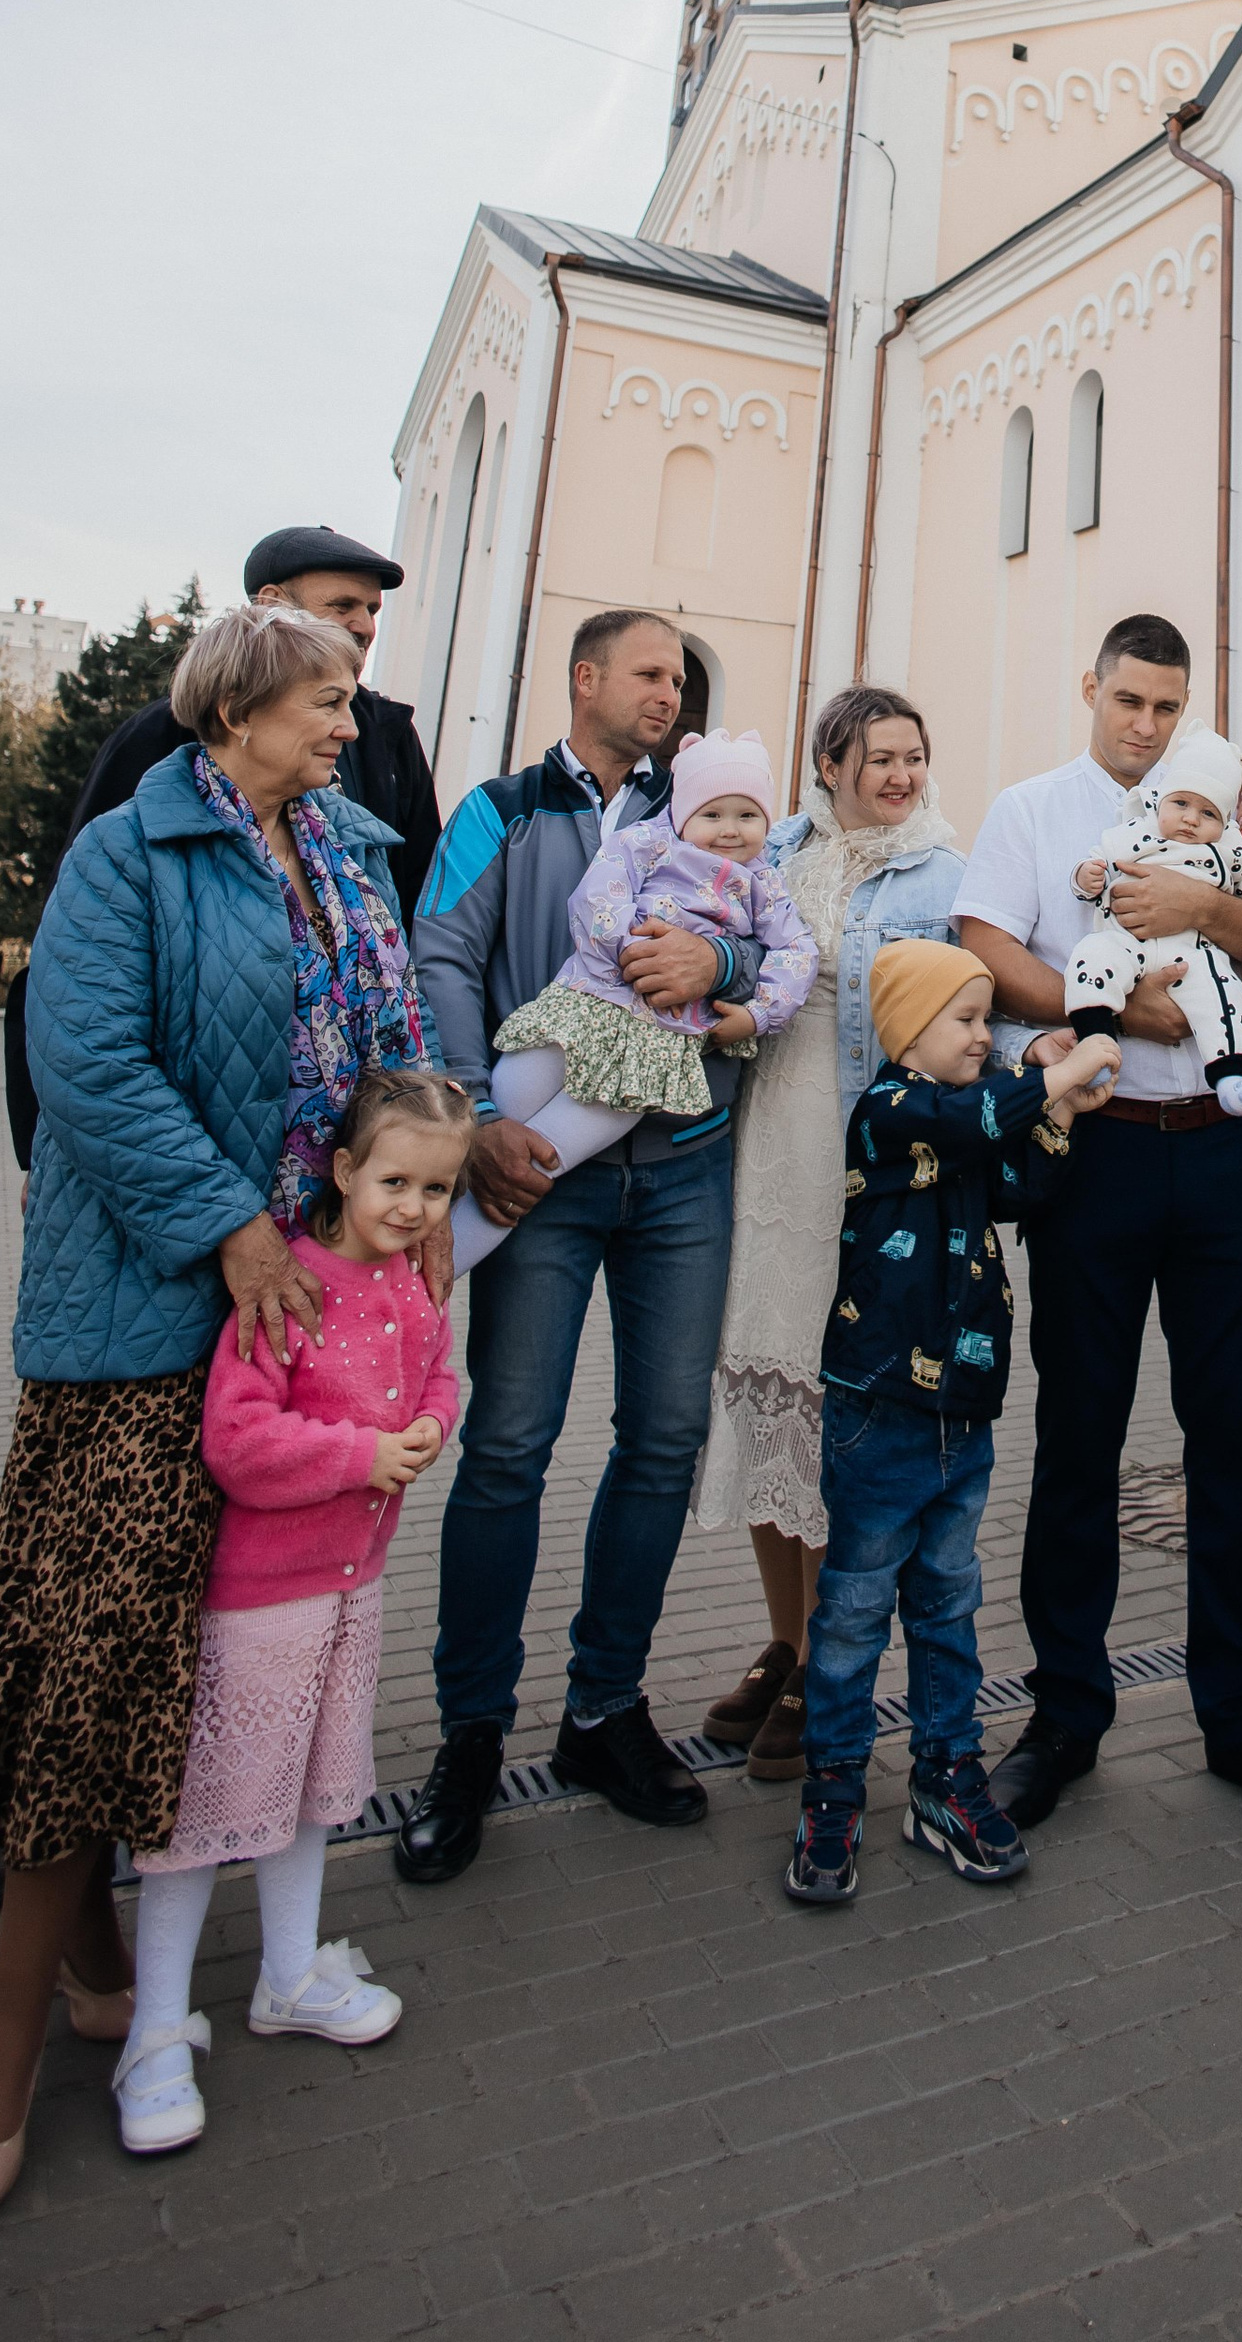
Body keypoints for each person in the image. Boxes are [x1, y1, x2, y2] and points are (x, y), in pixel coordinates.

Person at [0, 603, 425, 2234]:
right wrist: (233, 1224)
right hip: (150, 1302)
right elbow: (90, 1062)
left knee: (225, 1648)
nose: (349, 721)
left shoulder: (351, 847)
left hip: (306, 1313)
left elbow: (390, 1054)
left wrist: (436, 1183)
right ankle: (4, 2008)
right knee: (98, 1632)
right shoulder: (135, 848)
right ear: (239, 707)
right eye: (326, 697)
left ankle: (115, 1936)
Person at [956, 615, 1242, 1842]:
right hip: (1101, 1144)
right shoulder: (1032, 809)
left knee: (1230, 1441)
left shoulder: (1240, 809)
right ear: (1091, 688)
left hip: (1228, 1153)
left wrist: (1200, 902)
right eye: (1128, 698)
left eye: (1167, 705)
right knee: (1078, 1435)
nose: (1146, 724)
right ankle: (1063, 1713)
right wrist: (1116, 1000)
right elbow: (983, 942)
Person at [396, 606, 762, 1882]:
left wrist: (716, 951)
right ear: (587, 677)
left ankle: (605, 1707)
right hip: (536, 1169)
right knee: (505, 1447)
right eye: (651, 673)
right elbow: (436, 954)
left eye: (681, 678)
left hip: (680, 1173)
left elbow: (766, 935)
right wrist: (476, 1113)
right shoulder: (500, 810)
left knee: (662, 1443)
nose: (670, 694)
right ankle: (468, 1733)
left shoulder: (704, 808)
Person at [115, 1068, 473, 2154]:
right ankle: (156, 2024)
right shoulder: (291, 1289)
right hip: (260, 1595)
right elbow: (238, 1443)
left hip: (351, 1585)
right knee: (203, 1808)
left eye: (441, 1188)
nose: (414, 1207)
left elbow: (438, 1376)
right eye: (397, 1180)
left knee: (316, 1787)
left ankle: (288, 1970)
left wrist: (427, 1428)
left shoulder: (413, 1283)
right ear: (346, 1168)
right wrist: (365, 1452)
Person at [784, 945, 1111, 1905]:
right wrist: (1060, 1065)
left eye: (984, 1020)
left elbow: (1023, 1188)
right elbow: (971, 1119)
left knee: (948, 1609)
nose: (983, 1036)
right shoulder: (889, 1112)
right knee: (850, 1618)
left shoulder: (967, 1126)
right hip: (879, 1411)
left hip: (963, 1416)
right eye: (966, 1021)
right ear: (907, 1032)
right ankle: (834, 1788)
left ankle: (943, 1777)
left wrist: (1055, 1114)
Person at [697, 687, 963, 1786]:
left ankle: (832, 1667)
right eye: (879, 758)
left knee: (833, 1414)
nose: (899, 776)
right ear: (828, 762)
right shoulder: (772, 847)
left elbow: (966, 1016)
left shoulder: (947, 870)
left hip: (867, 1169)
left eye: (913, 755)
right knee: (763, 1393)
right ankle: (788, 1638)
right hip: (765, 1149)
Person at [462, 732, 817, 1257]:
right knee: (500, 1119)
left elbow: (797, 952)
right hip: (588, 1007)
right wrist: (631, 954)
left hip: (655, 1050)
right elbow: (595, 898)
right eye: (712, 814)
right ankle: (406, 1234)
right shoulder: (645, 843)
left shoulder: (764, 883)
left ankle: (439, 1269)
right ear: (682, 812)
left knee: (529, 1172)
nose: (729, 831)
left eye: (747, 816)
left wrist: (758, 1015)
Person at [64, 529, 446, 926]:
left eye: (372, 609)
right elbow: (88, 909)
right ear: (272, 604)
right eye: (343, 605)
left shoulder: (390, 734)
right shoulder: (166, 730)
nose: (364, 626)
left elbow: (421, 898)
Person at [1064, 725, 1242, 1115]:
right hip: (1126, 941)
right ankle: (1093, 1045)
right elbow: (1098, 860)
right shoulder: (1131, 833)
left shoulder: (1229, 850)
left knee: (1223, 994)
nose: (1191, 819)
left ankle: (1233, 1076)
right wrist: (1086, 877)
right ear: (1160, 802)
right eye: (1181, 804)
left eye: (1207, 812)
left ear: (1224, 820)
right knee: (1091, 958)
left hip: (1192, 952)